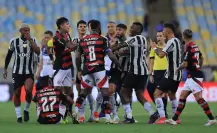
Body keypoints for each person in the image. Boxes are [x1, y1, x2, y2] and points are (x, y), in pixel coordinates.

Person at [165, 29, 217, 126]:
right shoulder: (195, 46)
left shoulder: (188, 48)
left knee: (198, 98)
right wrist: (199, 67)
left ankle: (211, 119)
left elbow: (185, 64)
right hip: (192, 75)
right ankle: (174, 119)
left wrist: (177, 69)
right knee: (182, 96)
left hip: (194, 76)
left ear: (184, 36)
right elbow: (201, 58)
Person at [74, 20, 121, 124]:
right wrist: (119, 65)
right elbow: (111, 55)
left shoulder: (83, 40)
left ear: (90, 28)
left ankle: (76, 111)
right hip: (99, 69)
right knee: (105, 93)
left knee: (83, 93)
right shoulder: (103, 39)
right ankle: (108, 118)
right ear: (99, 28)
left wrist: (79, 70)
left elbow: (77, 57)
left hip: (87, 69)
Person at [112, 22, 154, 124]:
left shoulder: (133, 39)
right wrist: (119, 52)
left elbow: (119, 46)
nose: (130, 29)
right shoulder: (144, 39)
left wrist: (108, 49)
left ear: (138, 30)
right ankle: (153, 113)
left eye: (132, 28)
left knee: (122, 92)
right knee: (139, 94)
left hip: (134, 71)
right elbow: (128, 52)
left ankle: (129, 117)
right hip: (144, 72)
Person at [3, 23, 40, 123]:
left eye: (28, 30)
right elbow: (9, 55)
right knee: (17, 93)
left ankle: (26, 110)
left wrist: (30, 40)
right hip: (17, 72)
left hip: (29, 71)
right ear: (20, 31)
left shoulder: (33, 40)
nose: (27, 32)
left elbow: (37, 51)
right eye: (25, 30)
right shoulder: (14, 41)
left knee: (28, 91)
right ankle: (19, 116)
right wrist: (5, 68)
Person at [151, 23, 182, 124]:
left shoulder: (171, 41)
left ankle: (162, 117)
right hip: (178, 74)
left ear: (168, 31)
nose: (163, 32)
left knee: (156, 94)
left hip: (171, 74)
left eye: (164, 30)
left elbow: (161, 55)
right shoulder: (177, 41)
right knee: (171, 94)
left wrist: (154, 47)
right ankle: (176, 118)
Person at [52, 17, 77, 123]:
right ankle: (55, 113)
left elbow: (73, 47)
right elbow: (71, 46)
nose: (69, 25)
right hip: (60, 68)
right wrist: (74, 45)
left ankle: (68, 112)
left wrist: (73, 46)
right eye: (67, 24)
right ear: (61, 26)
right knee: (56, 90)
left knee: (69, 92)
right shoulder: (57, 37)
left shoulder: (67, 35)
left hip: (68, 67)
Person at [73, 20, 95, 123]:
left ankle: (91, 113)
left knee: (88, 92)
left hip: (88, 69)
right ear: (77, 28)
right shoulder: (74, 41)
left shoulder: (89, 39)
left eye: (84, 26)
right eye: (80, 26)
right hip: (77, 69)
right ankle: (82, 115)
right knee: (79, 92)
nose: (82, 28)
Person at [109, 23, 129, 123]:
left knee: (126, 93)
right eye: (117, 30)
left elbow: (125, 52)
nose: (117, 32)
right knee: (111, 90)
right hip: (115, 70)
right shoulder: (115, 42)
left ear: (125, 30)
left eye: (119, 30)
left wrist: (114, 50)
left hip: (126, 70)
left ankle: (128, 115)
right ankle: (115, 115)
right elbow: (109, 53)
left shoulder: (129, 41)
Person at [147, 31, 168, 123]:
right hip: (156, 73)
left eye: (160, 36)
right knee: (150, 88)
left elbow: (161, 56)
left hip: (165, 72)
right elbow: (151, 60)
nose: (158, 37)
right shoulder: (154, 48)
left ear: (164, 37)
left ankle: (162, 112)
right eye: (157, 36)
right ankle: (161, 110)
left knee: (163, 93)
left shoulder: (168, 46)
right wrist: (150, 73)